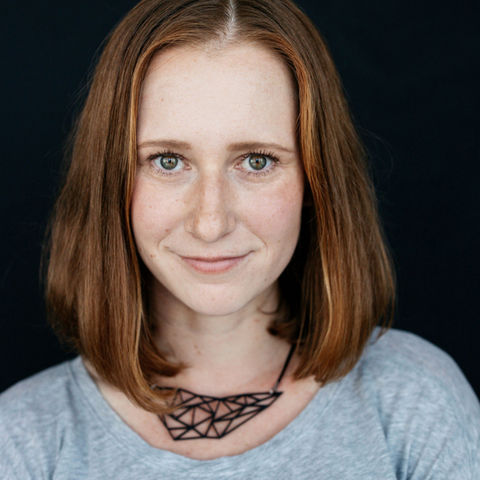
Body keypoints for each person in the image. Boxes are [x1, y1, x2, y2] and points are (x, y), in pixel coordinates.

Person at [1, 0, 479, 478]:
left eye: (256, 161)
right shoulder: (22, 440)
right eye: (168, 161)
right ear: (111, 181)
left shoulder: (417, 400)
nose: (211, 223)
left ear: (316, 181)